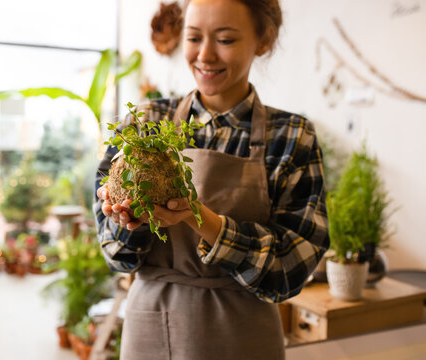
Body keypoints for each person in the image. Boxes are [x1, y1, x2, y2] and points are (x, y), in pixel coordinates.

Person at [94, 0, 329, 358]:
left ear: (263, 40)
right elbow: (118, 256)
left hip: (245, 335)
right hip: (154, 327)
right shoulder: (144, 124)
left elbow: (290, 270)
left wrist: (198, 216)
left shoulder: (292, 136)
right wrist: (129, 219)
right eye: (193, 37)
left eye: (225, 40)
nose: (204, 55)